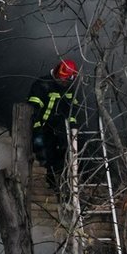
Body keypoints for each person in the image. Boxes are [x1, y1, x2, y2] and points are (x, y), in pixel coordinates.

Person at [27, 59, 80, 187]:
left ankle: (54, 181)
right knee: (41, 150)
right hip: (39, 126)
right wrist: (35, 125)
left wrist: (73, 129)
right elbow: (33, 106)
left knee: (61, 152)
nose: (63, 82)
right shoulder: (42, 84)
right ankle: (44, 177)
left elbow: (72, 112)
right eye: (62, 79)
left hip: (56, 129)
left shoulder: (69, 90)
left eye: (66, 80)